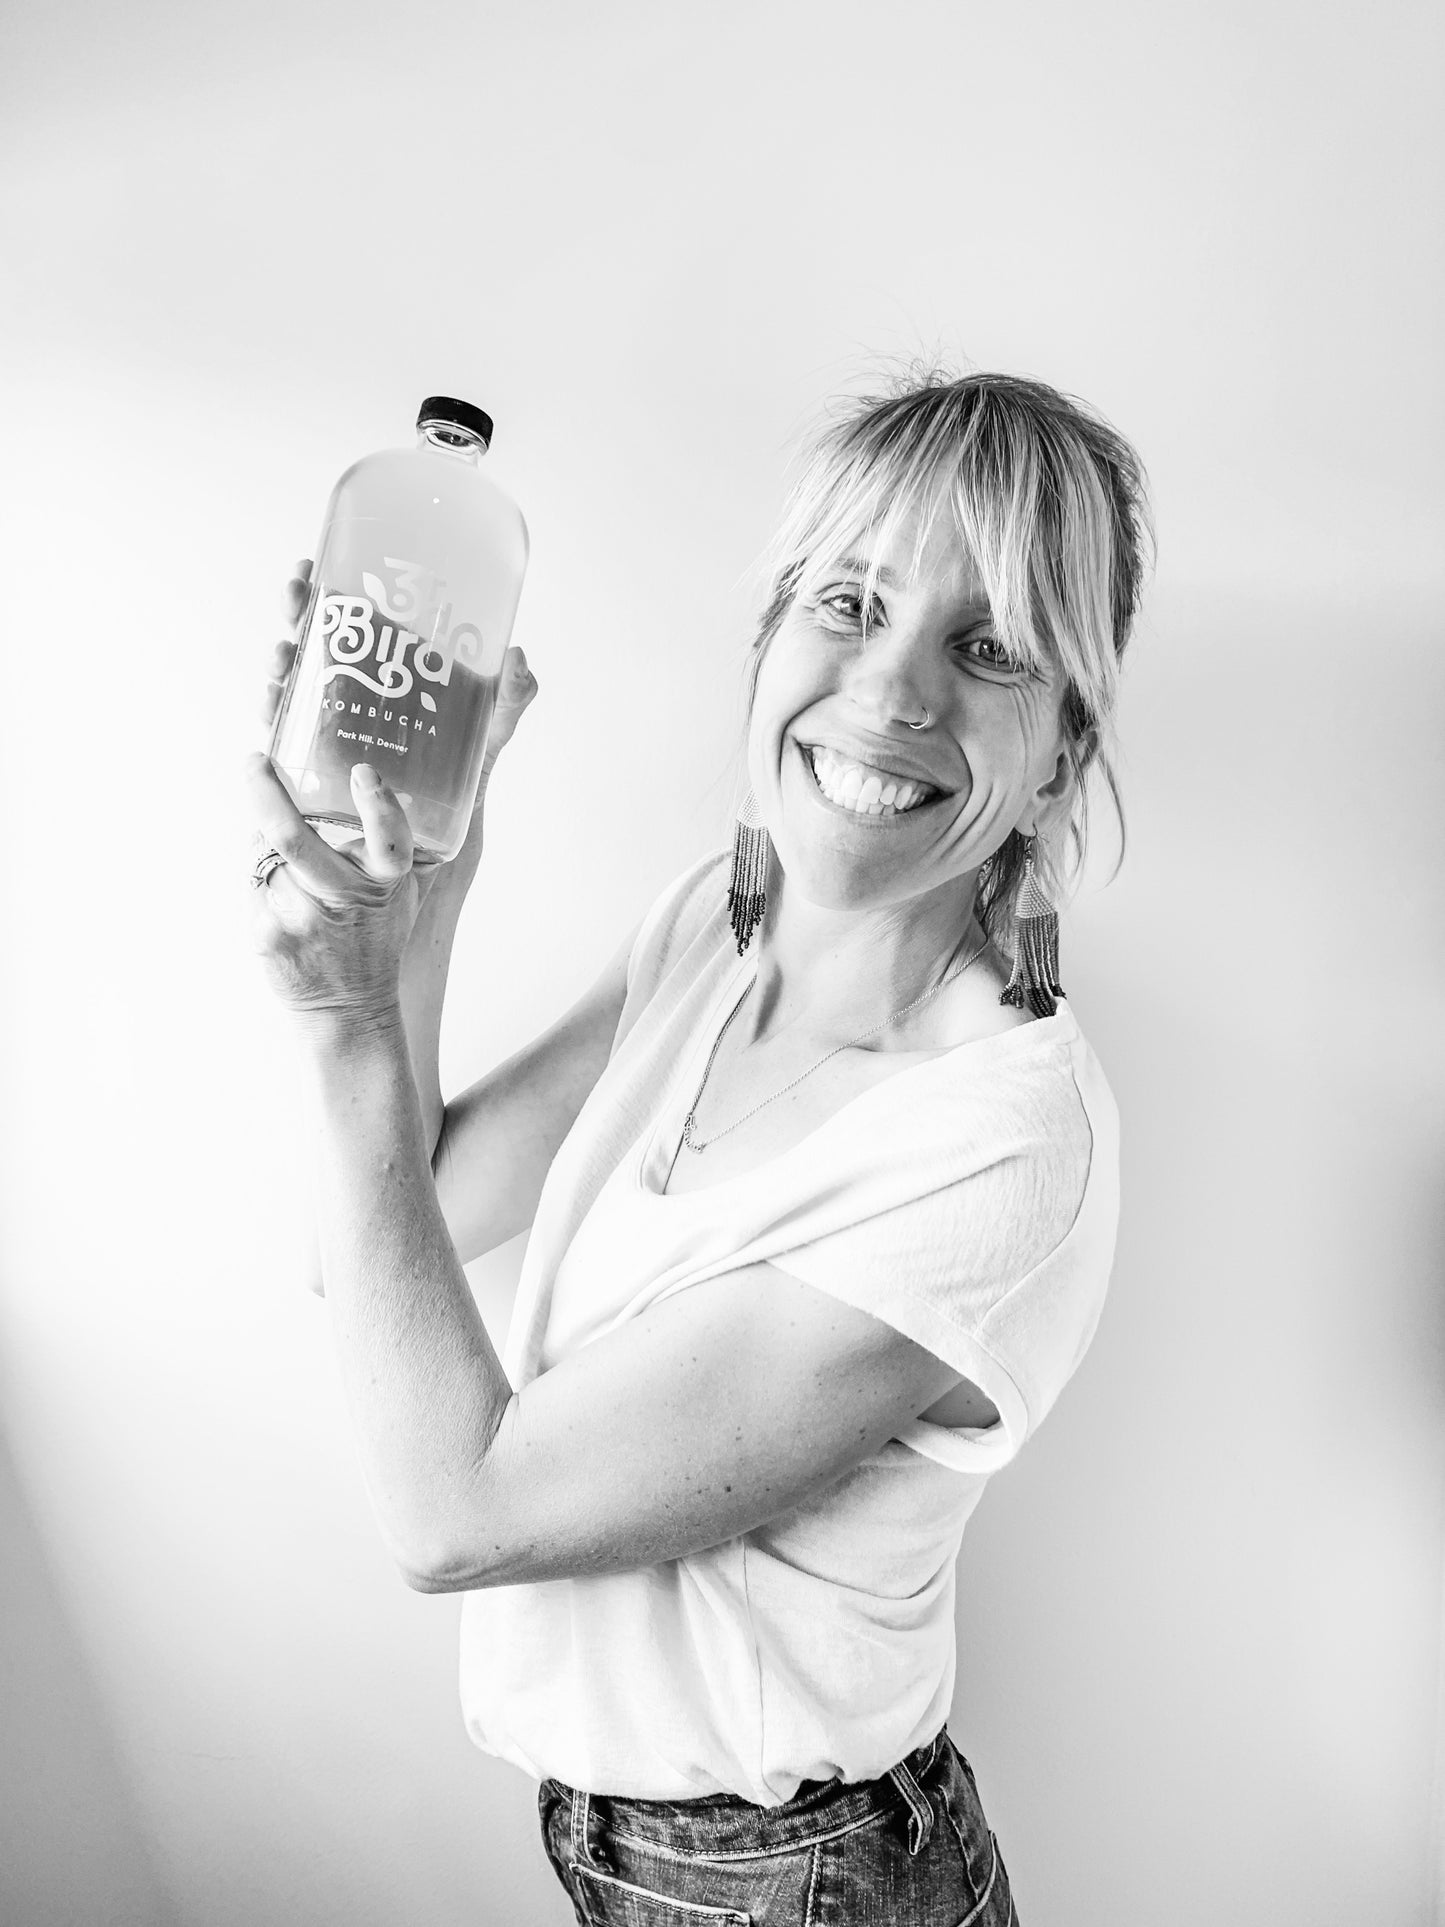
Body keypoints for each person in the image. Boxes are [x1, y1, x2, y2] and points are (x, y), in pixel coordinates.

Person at [246, 368, 1151, 1926]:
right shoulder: (708, 931)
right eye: (849, 602)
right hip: (629, 1848)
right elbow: (385, 1229)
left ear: (1062, 753)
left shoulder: (1001, 1147)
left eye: (987, 646)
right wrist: (426, 887)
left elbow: (454, 1514)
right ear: (766, 643)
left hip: (800, 1883)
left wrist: (341, 1020)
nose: (892, 696)